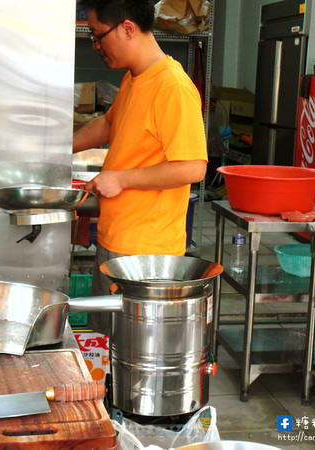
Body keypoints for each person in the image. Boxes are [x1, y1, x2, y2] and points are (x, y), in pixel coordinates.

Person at [73, 0, 208, 325]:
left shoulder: (172, 86)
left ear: (128, 28)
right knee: (106, 351)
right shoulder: (135, 79)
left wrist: (121, 179)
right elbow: (108, 124)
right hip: (117, 237)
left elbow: (192, 167)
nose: (96, 46)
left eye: (97, 35)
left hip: (147, 254)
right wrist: (53, 147)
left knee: (131, 356)